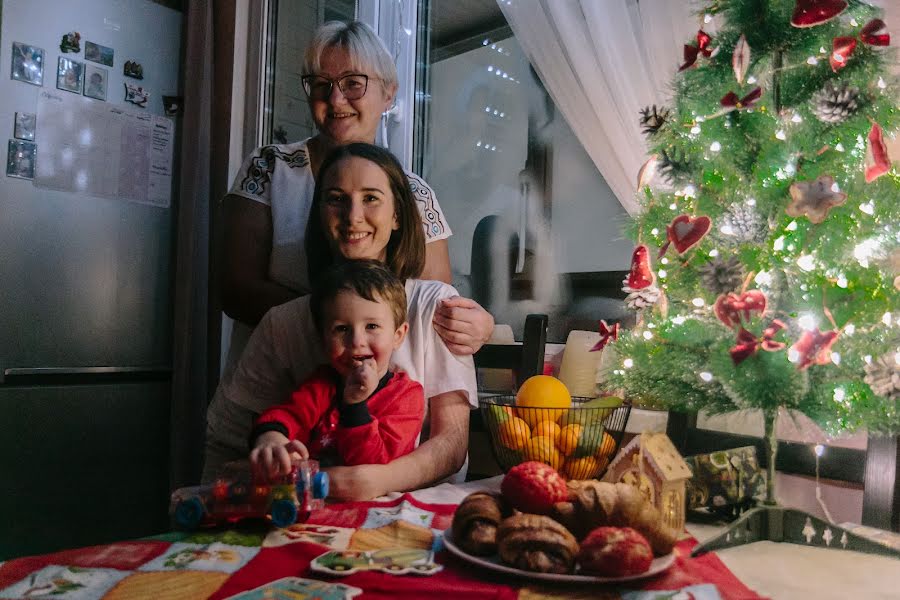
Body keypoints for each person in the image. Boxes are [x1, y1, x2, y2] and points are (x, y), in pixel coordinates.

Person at [205, 143, 478, 500]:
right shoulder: (284, 323)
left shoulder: (435, 307)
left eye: (371, 198)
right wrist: (269, 449)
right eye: (336, 198)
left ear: (398, 215)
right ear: (319, 214)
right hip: (315, 517)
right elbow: (231, 449)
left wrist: (372, 482)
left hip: (420, 515)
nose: (353, 215)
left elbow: (452, 445)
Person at [221, 20, 492, 372]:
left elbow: (432, 308)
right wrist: (340, 319)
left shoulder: (413, 193)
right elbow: (235, 289)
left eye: (353, 83)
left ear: (389, 93)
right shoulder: (270, 168)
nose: (335, 99)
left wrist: (479, 326)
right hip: (275, 388)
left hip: (380, 404)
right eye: (321, 85)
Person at [249, 260, 424, 478]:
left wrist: (355, 405)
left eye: (371, 326)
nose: (356, 341)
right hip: (315, 500)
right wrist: (271, 437)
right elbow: (289, 414)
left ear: (398, 335)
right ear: (323, 339)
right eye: (341, 329)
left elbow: (371, 465)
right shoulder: (322, 384)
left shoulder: (406, 396)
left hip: (378, 505)